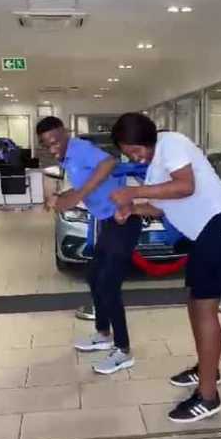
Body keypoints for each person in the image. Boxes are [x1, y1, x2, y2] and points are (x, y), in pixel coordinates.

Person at [109, 113, 221, 423]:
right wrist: (131, 210)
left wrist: (133, 193)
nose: (134, 157)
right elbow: (161, 205)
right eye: (128, 153)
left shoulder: (171, 143)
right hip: (212, 230)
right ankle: (207, 369)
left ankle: (208, 396)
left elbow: (184, 187)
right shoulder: (154, 166)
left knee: (204, 307)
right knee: (195, 302)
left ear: (147, 139)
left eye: (135, 150)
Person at [37, 116, 141, 375]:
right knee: (94, 275)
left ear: (65, 133)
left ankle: (123, 351)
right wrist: (64, 197)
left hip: (124, 219)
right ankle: (103, 333)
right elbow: (87, 184)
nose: (53, 148)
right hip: (108, 222)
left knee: (108, 284)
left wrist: (78, 196)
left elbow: (109, 163)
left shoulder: (79, 148)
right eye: (46, 145)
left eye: (56, 141)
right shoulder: (67, 158)